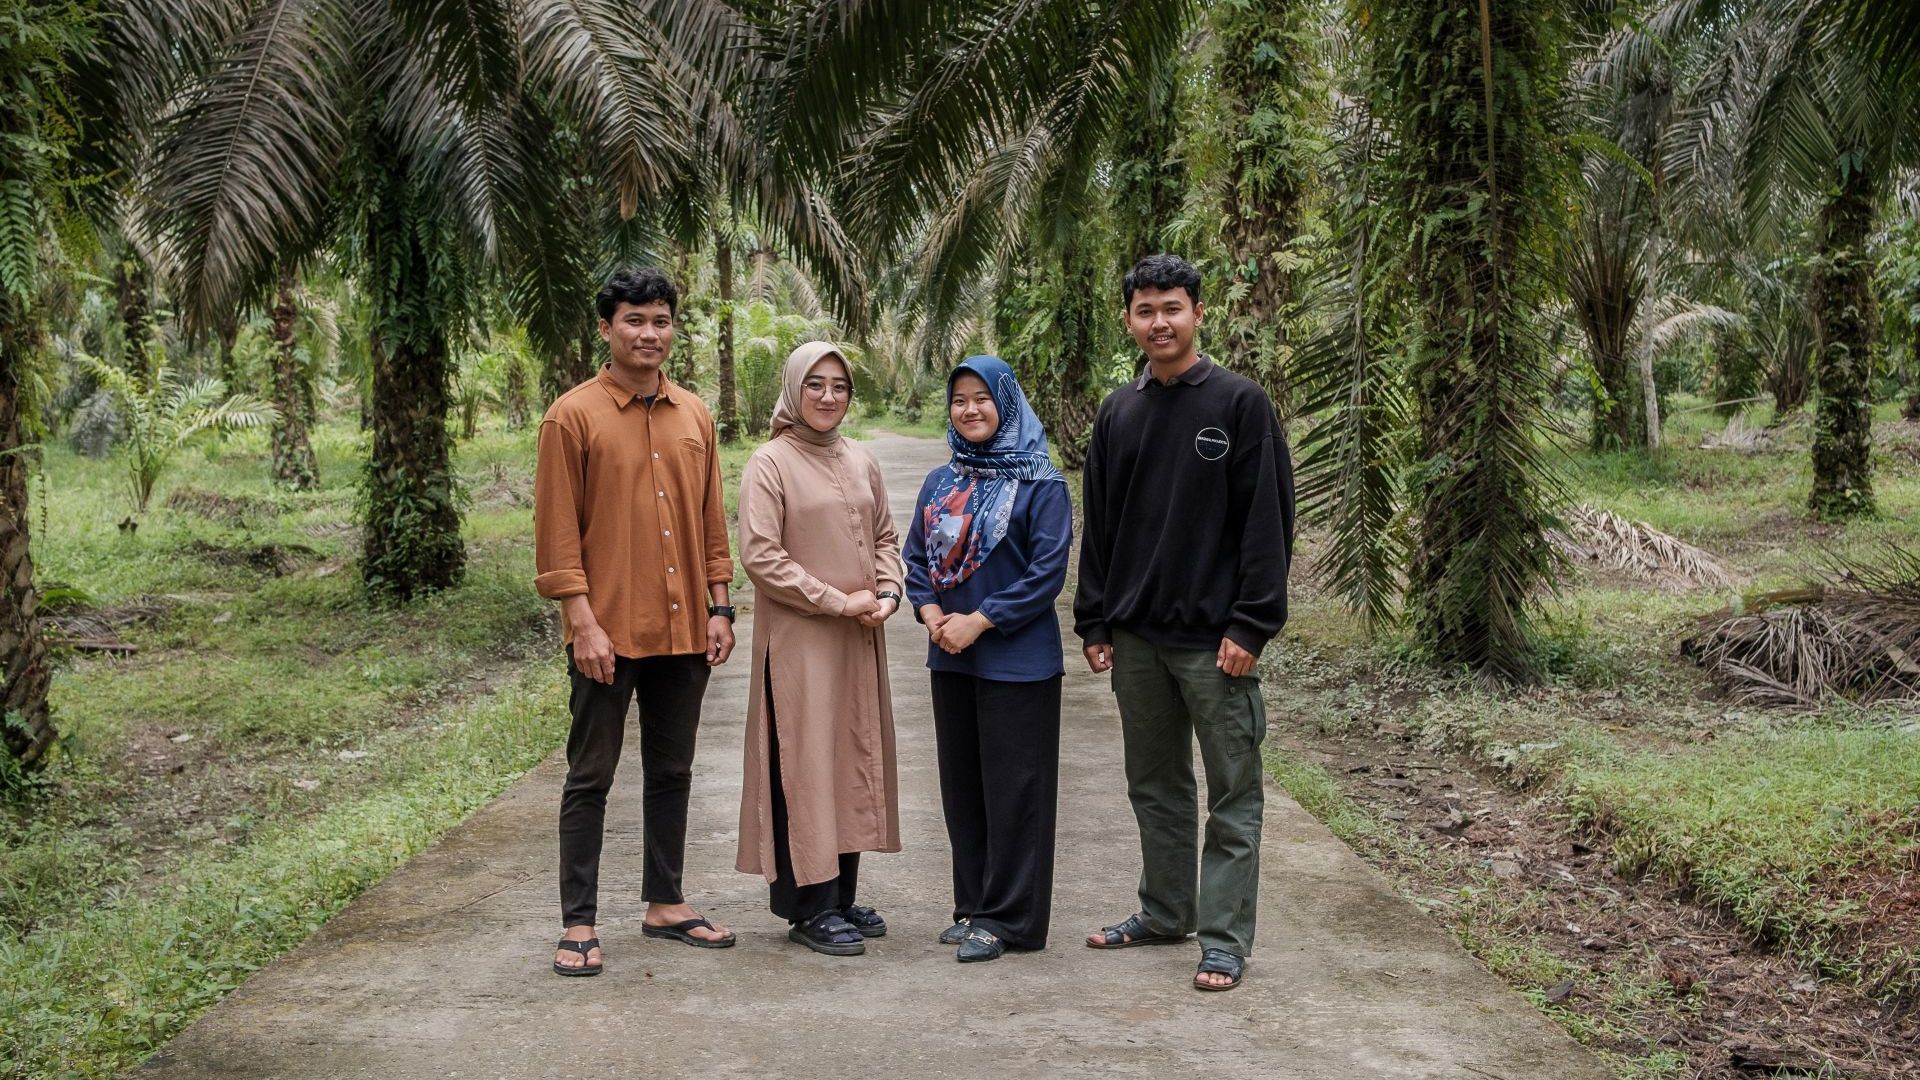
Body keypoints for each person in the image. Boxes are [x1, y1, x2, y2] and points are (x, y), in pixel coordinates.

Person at [1073, 253, 1296, 992]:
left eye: (1172, 307)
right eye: (1145, 310)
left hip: (1214, 643)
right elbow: (1099, 526)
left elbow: (1268, 522)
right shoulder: (1119, 410)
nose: (1159, 321)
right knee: (1156, 784)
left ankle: (1225, 940)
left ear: (1198, 313)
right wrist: (1095, 621)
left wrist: (1251, 625)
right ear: (1129, 320)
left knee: (1234, 792)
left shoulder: (1239, 404)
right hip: (1136, 637)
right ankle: (1166, 912)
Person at [534, 268, 740, 977]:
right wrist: (582, 623)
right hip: (608, 633)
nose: (649, 334)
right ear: (605, 329)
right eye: (634, 321)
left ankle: (665, 903)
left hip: (685, 628)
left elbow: (712, 522)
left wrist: (720, 606)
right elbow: (558, 536)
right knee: (591, 775)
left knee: (672, 769)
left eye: (660, 320)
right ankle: (580, 921)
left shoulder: (696, 416)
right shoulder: (572, 416)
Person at [736, 341, 904, 956]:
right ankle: (807, 907)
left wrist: (888, 589)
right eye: (816, 385)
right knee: (802, 759)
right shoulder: (770, 463)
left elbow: (886, 534)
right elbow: (761, 557)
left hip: (859, 638)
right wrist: (837, 600)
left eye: (839, 386)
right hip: (802, 642)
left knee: (849, 755)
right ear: (794, 390)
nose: (829, 397)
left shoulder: (861, 460)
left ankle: (838, 893)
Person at [904, 357, 1072, 964]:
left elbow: (1044, 574)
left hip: (1016, 661)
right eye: (959, 400)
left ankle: (1012, 919)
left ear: (1007, 404)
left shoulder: (1042, 485)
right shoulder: (941, 481)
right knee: (965, 788)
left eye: (982, 398)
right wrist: (930, 616)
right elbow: (917, 558)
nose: (970, 409)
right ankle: (973, 904)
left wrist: (978, 620)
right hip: (950, 656)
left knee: (1015, 792)